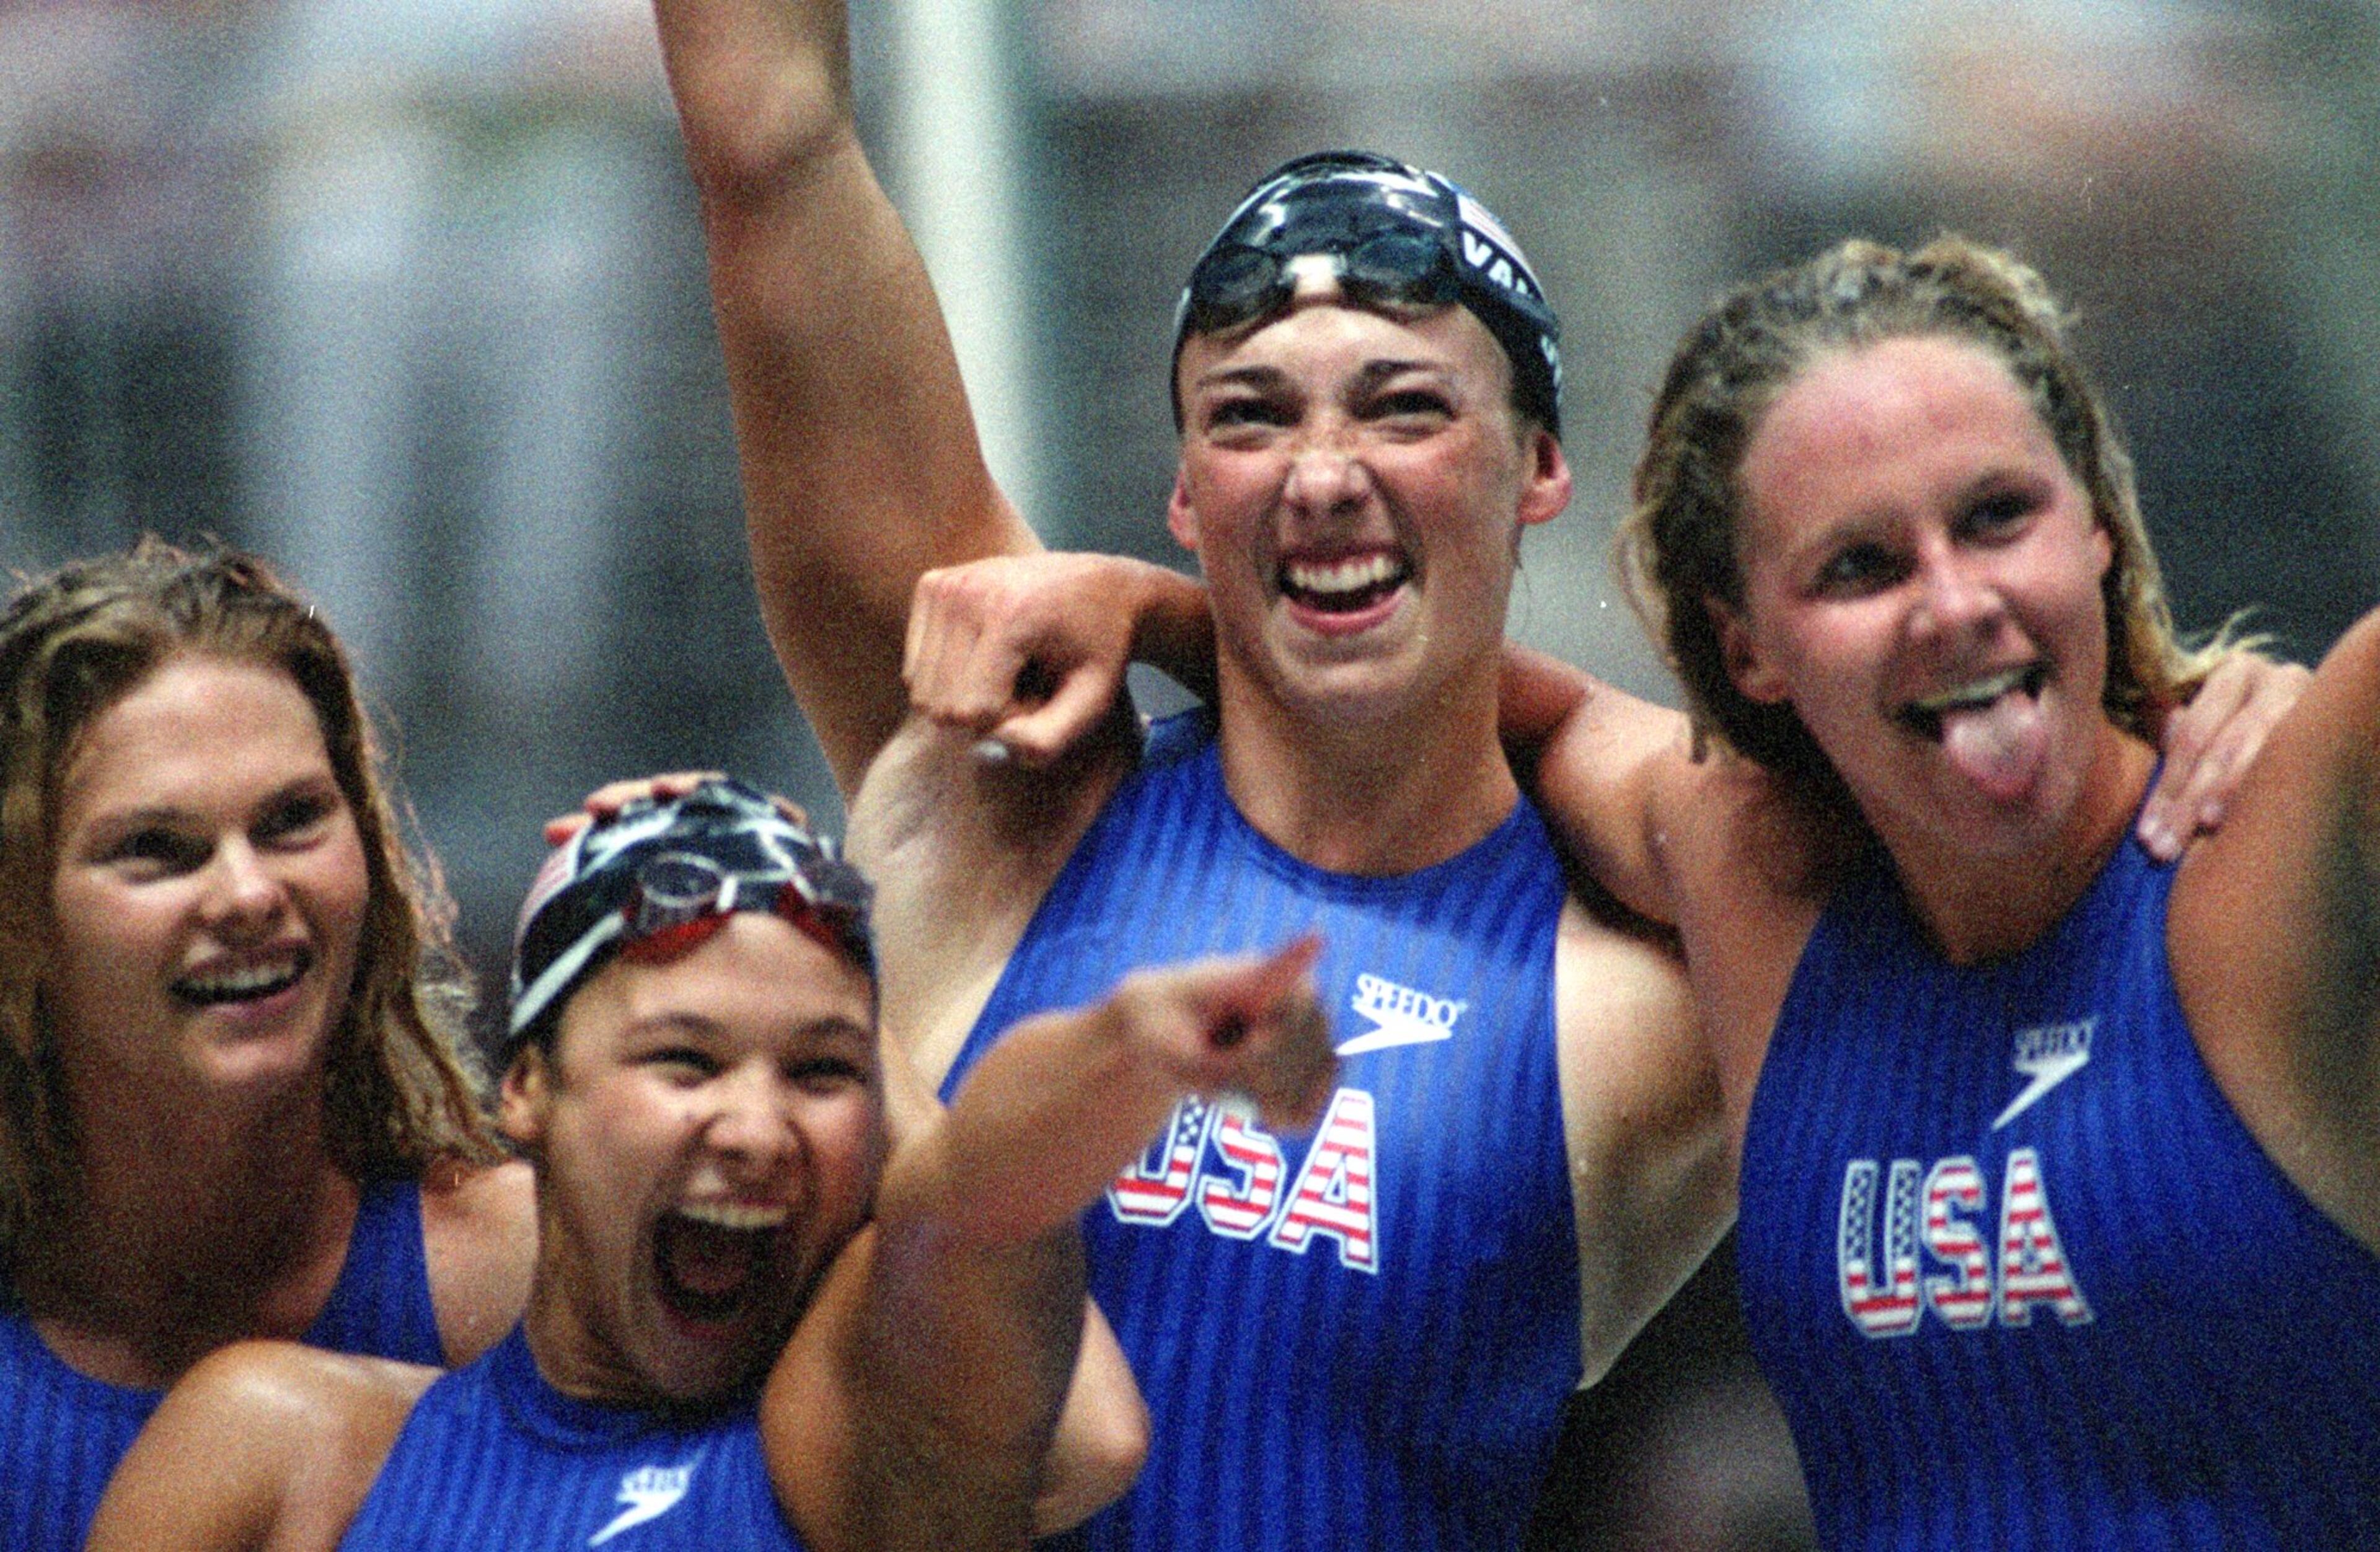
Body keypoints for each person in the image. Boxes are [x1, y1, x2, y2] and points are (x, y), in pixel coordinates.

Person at [930, 236, 2375, 1546]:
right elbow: (1519, 713)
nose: (1954, 602)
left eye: (2000, 517)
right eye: (1861, 566)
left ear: (2099, 530)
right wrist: (1166, 608)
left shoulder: (2284, 840)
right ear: (1750, 652)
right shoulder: (1763, 886)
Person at [656, 0, 1733, 1544]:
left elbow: (1890, 815)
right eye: (1250, 417)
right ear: (1180, 490)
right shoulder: (1007, 791)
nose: (1321, 474)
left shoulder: (1636, 1006)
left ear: (1543, 467)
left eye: (1404, 404)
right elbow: (766, 137)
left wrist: (1169, 621)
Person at [88, 778, 1336, 1552]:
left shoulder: (847, 1452)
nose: (755, 1130)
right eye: (684, 1061)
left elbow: (975, 1202)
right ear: (525, 1086)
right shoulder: (278, 1452)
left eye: (821, 1072)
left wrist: (1136, 1044)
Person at [0, 538, 537, 1551]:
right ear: (20, 922)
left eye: (293, 821)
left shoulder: (531, 1282)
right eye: (155, 850)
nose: (249, 894)